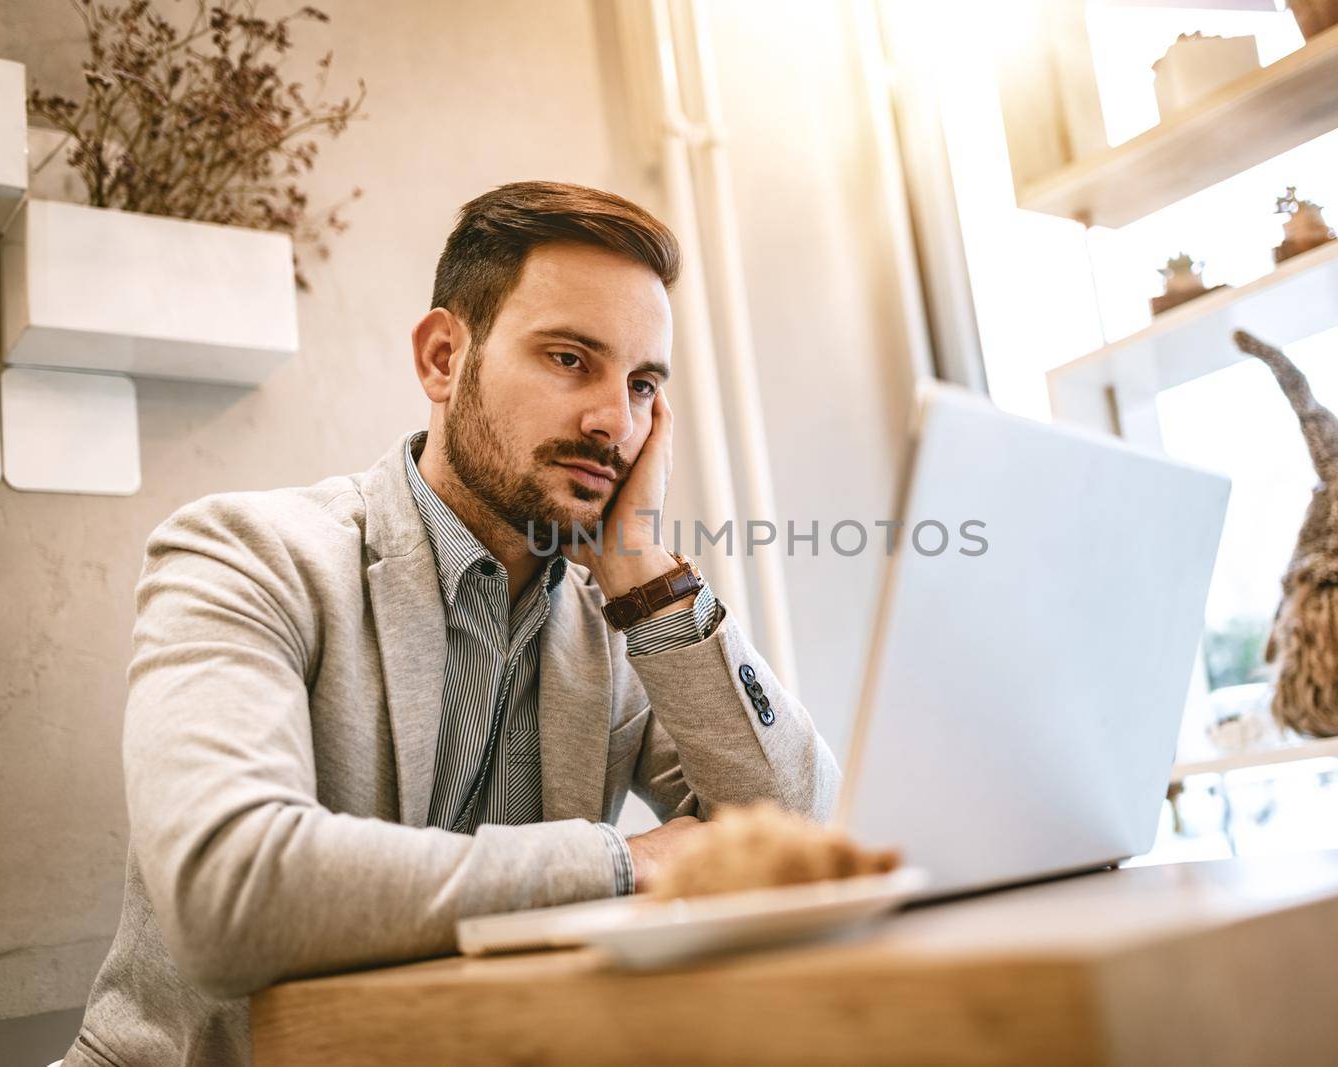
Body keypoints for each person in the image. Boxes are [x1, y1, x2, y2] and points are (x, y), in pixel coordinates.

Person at [64, 181, 840, 1067]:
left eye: (641, 383)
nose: (611, 421)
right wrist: (628, 864)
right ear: (442, 357)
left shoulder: (618, 626)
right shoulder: (245, 552)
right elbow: (229, 895)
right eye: (567, 359)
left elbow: (798, 835)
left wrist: (644, 575)